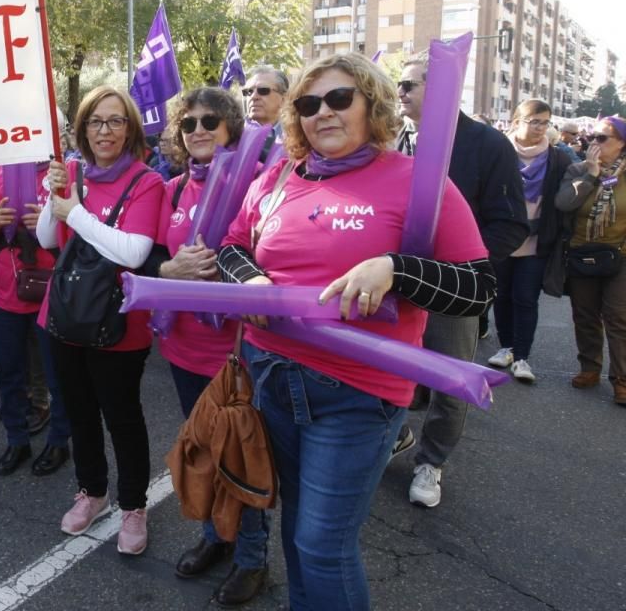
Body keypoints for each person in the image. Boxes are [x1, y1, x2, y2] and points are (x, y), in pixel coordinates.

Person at [217, 53, 494, 610]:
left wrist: (397, 268)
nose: (323, 112)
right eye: (308, 104)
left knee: (323, 545)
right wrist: (248, 279)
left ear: (374, 105)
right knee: (297, 526)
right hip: (271, 376)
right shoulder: (278, 176)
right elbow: (232, 245)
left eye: (340, 98)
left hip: (360, 391)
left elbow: (478, 286)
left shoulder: (417, 180)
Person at [146, 87, 270, 603]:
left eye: (211, 121)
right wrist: (168, 270)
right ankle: (215, 537)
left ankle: (252, 559)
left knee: (239, 457)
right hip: (183, 349)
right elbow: (150, 262)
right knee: (201, 449)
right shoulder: (171, 191)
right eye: (189, 122)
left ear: (232, 129)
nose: (199, 129)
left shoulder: (257, 186)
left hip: (237, 351)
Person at [393, 52, 528, 508]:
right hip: (393, 280)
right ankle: (394, 433)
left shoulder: (488, 145)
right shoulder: (394, 141)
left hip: (451, 289)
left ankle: (431, 462)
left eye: (409, 85)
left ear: (442, 88)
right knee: (387, 368)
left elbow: (510, 224)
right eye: (399, 84)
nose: (400, 93)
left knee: (450, 380)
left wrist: (463, 267)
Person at [35, 86, 165, 555]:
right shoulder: (71, 172)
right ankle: (93, 491)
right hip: (64, 316)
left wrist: (77, 211)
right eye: (95, 121)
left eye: (115, 121)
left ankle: (133, 505)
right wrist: (56, 199)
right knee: (79, 412)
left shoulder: (147, 181)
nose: (104, 131)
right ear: (83, 130)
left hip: (118, 324)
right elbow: (49, 237)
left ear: (129, 129)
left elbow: (133, 251)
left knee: (122, 418)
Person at [0, 163, 71, 477]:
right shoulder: (0, 177)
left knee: (58, 375)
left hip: (52, 291)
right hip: (6, 292)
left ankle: (59, 440)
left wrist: (44, 226)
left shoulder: (64, 172)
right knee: (10, 372)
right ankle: (16, 440)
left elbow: (80, 234)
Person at [487, 100, 572, 383]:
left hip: (537, 241)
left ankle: (522, 356)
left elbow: (564, 199)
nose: (539, 129)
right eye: (533, 121)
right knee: (502, 296)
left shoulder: (557, 158)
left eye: (545, 123)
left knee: (526, 298)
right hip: (501, 239)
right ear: (515, 122)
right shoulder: (499, 151)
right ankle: (507, 347)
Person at [555, 115, 626, 405]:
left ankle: (622, 380)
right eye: (592, 137)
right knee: (584, 314)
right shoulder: (577, 169)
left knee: (617, 317)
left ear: (622, 144)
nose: (593, 143)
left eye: (602, 138)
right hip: (582, 252)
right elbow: (564, 203)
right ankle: (589, 368)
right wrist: (591, 175)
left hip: (620, 255)